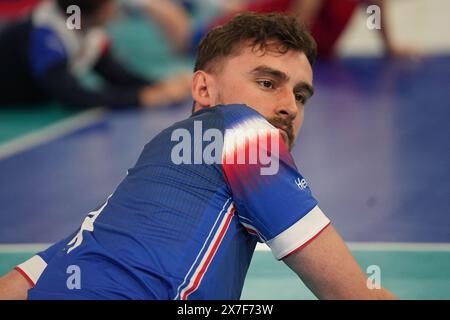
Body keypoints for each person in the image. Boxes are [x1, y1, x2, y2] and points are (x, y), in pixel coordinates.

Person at [0, 12, 396, 300]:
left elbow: (19, 283)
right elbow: (354, 294)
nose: (290, 106)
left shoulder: (153, 166)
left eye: (300, 95)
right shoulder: (244, 130)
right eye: (266, 82)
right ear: (204, 90)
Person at [0, 0, 191, 109]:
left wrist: (160, 84)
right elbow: (73, 96)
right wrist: (143, 97)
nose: (115, 7)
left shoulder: (82, 26)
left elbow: (115, 74)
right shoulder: (46, 36)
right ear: (98, 9)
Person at [190, 0, 418, 58]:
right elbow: (294, 30)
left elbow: (373, 11)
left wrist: (388, 46)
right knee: (189, 39)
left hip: (312, 53)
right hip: (231, 33)